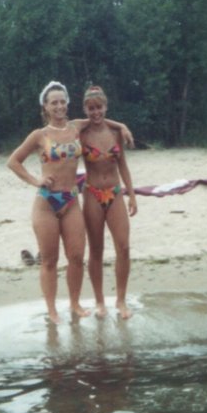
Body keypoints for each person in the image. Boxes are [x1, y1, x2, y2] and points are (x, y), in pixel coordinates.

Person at [7, 81, 132, 324]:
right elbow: (13, 161)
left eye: (63, 101)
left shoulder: (76, 127)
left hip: (72, 199)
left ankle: (74, 303)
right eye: (54, 102)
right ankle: (52, 310)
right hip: (47, 202)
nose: (59, 106)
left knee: (76, 257)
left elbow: (102, 119)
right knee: (50, 260)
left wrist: (123, 125)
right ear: (45, 106)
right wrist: (35, 180)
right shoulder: (39, 135)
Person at [79, 86, 137, 320]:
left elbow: (122, 165)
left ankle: (121, 300)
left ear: (106, 106)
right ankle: (100, 301)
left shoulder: (115, 133)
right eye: (91, 108)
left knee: (123, 247)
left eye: (99, 107)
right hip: (92, 193)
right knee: (96, 250)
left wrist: (131, 194)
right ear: (85, 109)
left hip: (114, 192)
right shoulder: (80, 132)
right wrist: (122, 123)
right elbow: (69, 121)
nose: (95, 112)